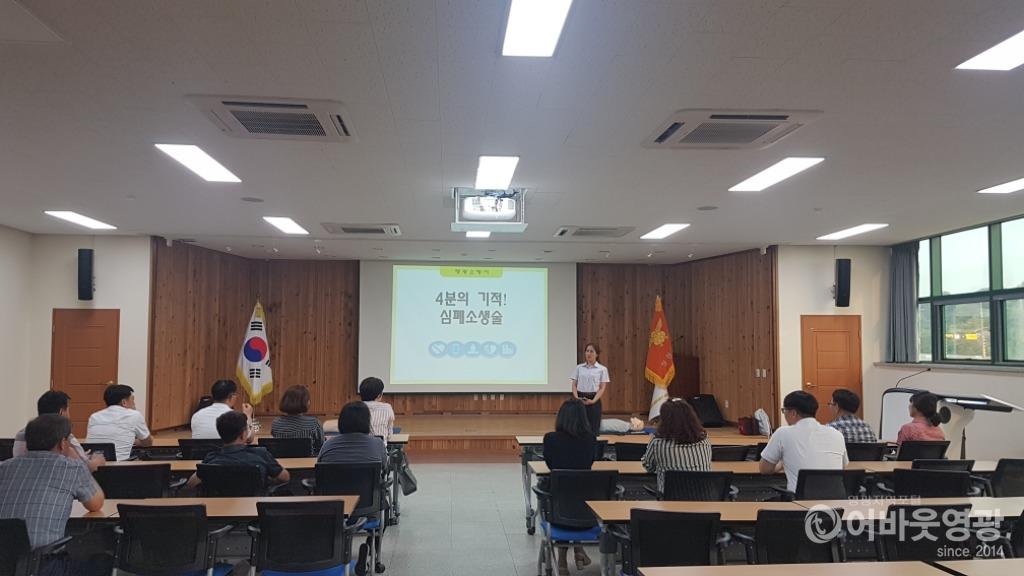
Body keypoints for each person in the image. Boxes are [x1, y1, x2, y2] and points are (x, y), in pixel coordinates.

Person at [0, 414, 107, 576]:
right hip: (42, 565)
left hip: (4, 562)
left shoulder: (4, 467)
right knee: (101, 561)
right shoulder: (72, 468)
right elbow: (96, 503)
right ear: (63, 443)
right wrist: (78, 461)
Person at [318, 401, 388, 575]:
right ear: (367, 422)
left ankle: (333, 551)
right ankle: (372, 550)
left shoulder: (328, 445)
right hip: (367, 507)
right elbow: (385, 470)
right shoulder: (377, 444)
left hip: (333, 508)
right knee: (385, 503)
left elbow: (318, 468)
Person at [542, 398, 597, 574]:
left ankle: (562, 561)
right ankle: (578, 550)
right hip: (588, 511)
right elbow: (589, 463)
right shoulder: (591, 439)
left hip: (559, 510)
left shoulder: (550, 439)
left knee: (562, 494)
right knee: (575, 494)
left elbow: (551, 465)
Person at [759, 391, 848, 494]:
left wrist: (782, 464)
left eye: (784, 411)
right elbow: (842, 466)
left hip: (800, 501)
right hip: (836, 500)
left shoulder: (783, 433)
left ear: (793, 413)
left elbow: (764, 469)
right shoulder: (836, 434)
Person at [186, 411, 289, 489]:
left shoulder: (211, 458)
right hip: (253, 507)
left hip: (219, 508)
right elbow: (285, 477)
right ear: (243, 434)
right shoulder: (261, 454)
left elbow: (191, 484)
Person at [13, 391, 105, 471]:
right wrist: (97, 460)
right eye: (68, 410)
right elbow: (86, 468)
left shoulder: (21, 434)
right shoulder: (64, 435)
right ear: (61, 412)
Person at [642, 398, 713, 492]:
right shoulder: (705, 440)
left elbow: (648, 466)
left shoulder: (658, 443)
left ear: (664, 419)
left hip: (671, 497)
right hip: (703, 496)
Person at [86, 384, 152, 461]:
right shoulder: (134, 415)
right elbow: (148, 443)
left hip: (93, 465)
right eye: (132, 400)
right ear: (124, 402)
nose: (134, 403)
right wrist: (136, 441)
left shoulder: (94, 417)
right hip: (119, 465)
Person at [318, 401, 388, 465]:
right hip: (365, 475)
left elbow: (319, 466)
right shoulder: (378, 445)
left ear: (341, 421)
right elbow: (384, 467)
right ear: (367, 422)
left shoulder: (328, 445)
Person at [271, 385, 325, 454]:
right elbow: (321, 445)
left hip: (282, 460)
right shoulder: (314, 423)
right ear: (306, 402)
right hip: (308, 460)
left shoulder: (276, 423)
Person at [570, 343, 609, 437]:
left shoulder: (602, 369)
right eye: (587, 351)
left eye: (591, 351)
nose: (589, 353)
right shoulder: (579, 368)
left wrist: (593, 400)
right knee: (578, 428)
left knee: (593, 429)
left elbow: (602, 387)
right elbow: (574, 384)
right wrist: (577, 398)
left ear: (597, 354)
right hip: (579, 398)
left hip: (594, 399)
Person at [359, 377, 395, 441]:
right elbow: (390, 434)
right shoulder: (387, 408)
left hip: (358, 446)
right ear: (379, 395)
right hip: (380, 446)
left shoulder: (354, 408)